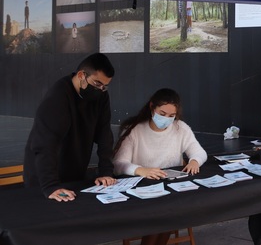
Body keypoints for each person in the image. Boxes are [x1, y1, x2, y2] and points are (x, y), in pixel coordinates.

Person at [113, 88, 207, 245]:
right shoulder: (134, 130)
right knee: (164, 212)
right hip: (142, 188)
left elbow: (199, 152)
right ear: (152, 107)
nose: (166, 119)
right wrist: (141, 170)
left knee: (169, 210)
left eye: (171, 116)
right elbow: (118, 164)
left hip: (170, 188)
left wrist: (194, 161)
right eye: (162, 114)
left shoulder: (180, 127)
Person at [23, 53, 117, 201]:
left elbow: (104, 134)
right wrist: (50, 186)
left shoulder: (101, 96)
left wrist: (105, 172)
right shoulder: (58, 97)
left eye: (105, 86)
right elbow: (45, 144)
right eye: (97, 84)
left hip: (75, 172)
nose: (101, 89)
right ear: (81, 75)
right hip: (44, 177)